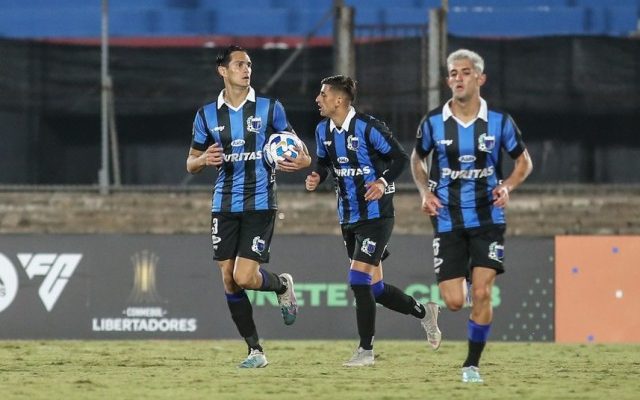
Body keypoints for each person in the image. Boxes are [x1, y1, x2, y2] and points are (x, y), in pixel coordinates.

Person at [410, 49, 533, 383]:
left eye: (465, 72)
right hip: (447, 218)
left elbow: (524, 162)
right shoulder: (434, 121)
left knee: (481, 294)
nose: (458, 79)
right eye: (453, 73)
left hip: (487, 218)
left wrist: (506, 186)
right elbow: (417, 159)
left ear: (480, 78)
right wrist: (425, 192)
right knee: (454, 301)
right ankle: (461, 279)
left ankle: (471, 365)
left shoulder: (500, 122)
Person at [186, 45, 311, 368]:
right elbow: (190, 163)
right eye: (240, 64)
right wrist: (203, 159)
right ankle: (255, 350)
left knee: (243, 276)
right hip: (223, 204)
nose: (246, 69)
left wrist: (298, 161)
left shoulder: (270, 109)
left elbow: (303, 153)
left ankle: (282, 285)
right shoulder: (207, 115)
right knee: (228, 278)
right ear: (223, 70)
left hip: (260, 203)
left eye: (249, 64)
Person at [305, 75, 442, 367]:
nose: (318, 99)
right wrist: (318, 176)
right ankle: (424, 313)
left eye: (323, 94)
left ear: (339, 100)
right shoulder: (322, 130)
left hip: (377, 216)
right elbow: (324, 162)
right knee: (376, 290)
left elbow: (401, 159)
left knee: (357, 280)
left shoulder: (368, 127)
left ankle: (366, 351)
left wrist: (381, 182)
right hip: (348, 217)